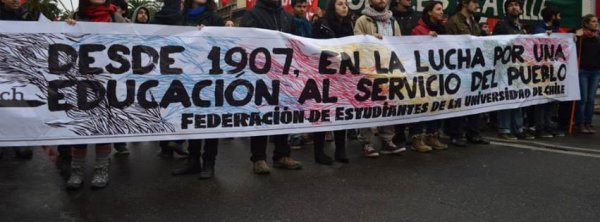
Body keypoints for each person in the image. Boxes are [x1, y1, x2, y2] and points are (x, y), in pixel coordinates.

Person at [64, 0, 129, 190]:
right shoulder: (76, 17)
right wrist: (66, 28)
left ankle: (101, 169)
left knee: (103, 126)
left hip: (110, 80)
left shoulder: (116, 19)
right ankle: (76, 170)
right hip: (81, 79)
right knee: (81, 126)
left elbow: (133, 44)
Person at [241, 0, 302, 174]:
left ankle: (282, 155)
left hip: (284, 75)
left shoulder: (287, 17)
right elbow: (245, 43)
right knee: (261, 115)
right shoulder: (252, 14)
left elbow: (296, 43)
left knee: (283, 114)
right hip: (261, 75)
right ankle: (259, 158)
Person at [171, 0, 223, 179]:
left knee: (209, 120)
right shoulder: (180, 19)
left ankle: (209, 161)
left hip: (210, 77)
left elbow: (224, 45)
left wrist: (211, 33)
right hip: (187, 77)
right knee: (192, 119)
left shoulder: (216, 19)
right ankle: (193, 160)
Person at [354, 0, 404, 158]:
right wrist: (369, 39)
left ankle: (387, 141)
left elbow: (400, 43)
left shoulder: (393, 20)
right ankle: (366, 143)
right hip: (369, 71)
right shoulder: (363, 20)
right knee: (368, 106)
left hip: (389, 71)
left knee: (388, 105)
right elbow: (355, 43)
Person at [310, 0, 354, 164]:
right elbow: (312, 47)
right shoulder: (321, 25)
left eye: (346, 4)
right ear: (332, 7)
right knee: (323, 112)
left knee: (341, 111)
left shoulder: (349, 25)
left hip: (342, 75)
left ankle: (340, 150)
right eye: (340, 4)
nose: (344, 7)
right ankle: (319, 152)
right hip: (324, 75)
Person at [443, 0, 490, 147]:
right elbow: (449, 44)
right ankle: (455, 134)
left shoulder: (474, 21)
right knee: (459, 101)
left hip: (473, 67)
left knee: (474, 100)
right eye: (475, 2)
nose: (477, 6)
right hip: (459, 67)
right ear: (465, 3)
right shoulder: (454, 21)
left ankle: (473, 132)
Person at [408, 1, 448, 152]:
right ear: (429, 12)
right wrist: (425, 37)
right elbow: (413, 48)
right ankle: (416, 138)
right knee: (421, 105)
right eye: (438, 9)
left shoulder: (442, 29)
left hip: (437, 74)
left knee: (436, 105)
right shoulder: (419, 30)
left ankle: (432, 136)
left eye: (442, 9)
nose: (441, 12)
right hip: (422, 75)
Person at [492, 0, 534, 140]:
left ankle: (517, 128)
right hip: (505, 68)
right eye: (511, 5)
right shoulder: (502, 25)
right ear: (506, 10)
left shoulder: (520, 26)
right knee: (506, 98)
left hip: (518, 69)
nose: (514, 7)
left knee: (518, 98)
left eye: (516, 5)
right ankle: (504, 129)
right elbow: (496, 45)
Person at [0, 0, 34, 160]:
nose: (15, 0)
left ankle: (19, 142)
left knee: (18, 106)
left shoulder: (29, 16)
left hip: (21, 71)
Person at [529, 6, 565, 138]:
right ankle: (540, 127)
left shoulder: (556, 29)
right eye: (558, 15)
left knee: (551, 99)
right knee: (541, 100)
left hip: (553, 69)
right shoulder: (539, 27)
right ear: (552, 16)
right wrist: (547, 34)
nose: (560, 18)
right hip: (540, 69)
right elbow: (538, 37)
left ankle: (548, 125)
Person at [574, 14, 600, 134]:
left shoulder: (597, 38)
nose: (596, 23)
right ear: (586, 24)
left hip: (595, 71)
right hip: (583, 71)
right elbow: (570, 37)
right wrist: (575, 34)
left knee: (591, 99)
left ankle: (588, 122)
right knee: (583, 99)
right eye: (593, 22)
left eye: (596, 22)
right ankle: (580, 123)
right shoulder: (581, 38)